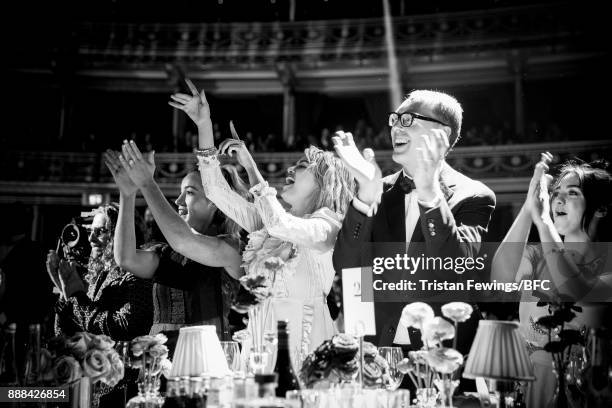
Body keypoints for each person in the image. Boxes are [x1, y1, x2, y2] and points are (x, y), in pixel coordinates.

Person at [169, 79, 356, 356]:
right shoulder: (268, 226)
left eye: (302, 165)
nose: (291, 168)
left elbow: (283, 225)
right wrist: (204, 125)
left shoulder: (327, 226)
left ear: (324, 183)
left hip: (304, 342)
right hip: (260, 340)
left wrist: (251, 167)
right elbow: (217, 192)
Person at [332, 90, 496, 352]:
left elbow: (455, 268)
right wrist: (363, 198)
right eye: (394, 119)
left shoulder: (475, 195)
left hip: (439, 351)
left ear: (441, 134)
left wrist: (430, 193)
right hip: (378, 348)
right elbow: (345, 266)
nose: (396, 127)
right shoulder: (376, 188)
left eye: (407, 120)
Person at [492, 155, 612, 407]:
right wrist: (529, 207)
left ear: (601, 208)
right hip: (529, 393)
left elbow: (577, 293)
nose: (558, 199)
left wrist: (544, 221)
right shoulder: (537, 256)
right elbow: (501, 279)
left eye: (572, 193)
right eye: (555, 192)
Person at [104, 143, 246, 339]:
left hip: (208, 359)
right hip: (164, 359)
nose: (178, 201)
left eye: (189, 192)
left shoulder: (231, 249)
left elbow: (184, 241)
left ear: (214, 201)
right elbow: (126, 259)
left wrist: (147, 183)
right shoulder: (170, 252)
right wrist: (127, 194)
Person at [47, 203, 153, 340]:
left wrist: (76, 296)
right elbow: (66, 336)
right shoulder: (98, 274)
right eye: (90, 231)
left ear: (122, 234)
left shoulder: (138, 273)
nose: (91, 239)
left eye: (101, 231)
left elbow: (122, 328)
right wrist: (64, 291)